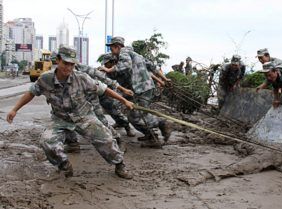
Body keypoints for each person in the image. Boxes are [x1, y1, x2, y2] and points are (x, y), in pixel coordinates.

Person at [6, 45, 134, 179]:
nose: (68, 67)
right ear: (58, 60)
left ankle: (119, 164)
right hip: (60, 120)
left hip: (84, 117)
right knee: (47, 141)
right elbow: (31, 93)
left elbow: (103, 89)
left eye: (72, 64)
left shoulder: (82, 78)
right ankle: (64, 165)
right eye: (65, 63)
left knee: (106, 139)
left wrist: (124, 101)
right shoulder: (45, 79)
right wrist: (14, 109)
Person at [102, 37, 172, 148]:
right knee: (137, 114)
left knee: (136, 116)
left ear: (117, 46)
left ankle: (160, 124)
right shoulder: (136, 55)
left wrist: (108, 70)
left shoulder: (123, 53)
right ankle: (151, 135)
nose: (111, 50)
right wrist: (164, 79)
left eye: (112, 47)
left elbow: (125, 65)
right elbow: (152, 67)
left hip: (141, 88)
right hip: (145, 88)